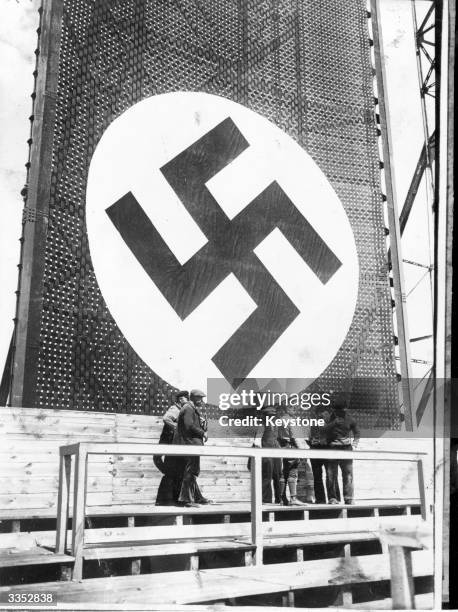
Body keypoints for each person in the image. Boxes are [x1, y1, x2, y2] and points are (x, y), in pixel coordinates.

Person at [174, 389, 212, 507]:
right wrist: (202, 433)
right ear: (194, 398)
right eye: (200, 398)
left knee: (192, 471)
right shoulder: (188, 408)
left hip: (191, 444)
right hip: (190, 445)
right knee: (191, 471)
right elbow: (189, 426)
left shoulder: (190, 408)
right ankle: (186, 500)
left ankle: (197, 497)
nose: (202, 401)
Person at [154, 390, 189, 505]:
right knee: (169, 470)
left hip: (174, 444)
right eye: (186, 399)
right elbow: (166, 418)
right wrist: (177, 428)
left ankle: (174, 499)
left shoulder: (182, 410)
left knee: (177, 472)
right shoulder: (175, 409)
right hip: (168, 442)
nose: (188, 401)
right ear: (180, 400)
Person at [325, 402, 360, 505]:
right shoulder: (329, 418)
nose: (342, 413)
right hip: (332, 448)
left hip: (346, 448)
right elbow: (323, 430)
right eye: (339, 411)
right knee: (331, 474)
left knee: (348, 474)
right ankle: (332, 498)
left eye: (343, 411)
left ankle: (348, 498)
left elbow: (357, 432)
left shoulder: (350, 419)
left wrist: (355, 442)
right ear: (334, 410)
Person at [278, 406, 311, 506]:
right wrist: (302, 451)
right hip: (292, 447)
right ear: (287, 409)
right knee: (293, 473)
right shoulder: (291, 421)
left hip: (283, 447)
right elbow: (295, 437)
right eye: (293, 409)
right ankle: (293, 498)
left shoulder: (280, 420)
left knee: (284, 474)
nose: (295, 411)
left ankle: (282, 499)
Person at [308, 406, 339, 504]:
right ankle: (320, 499)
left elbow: (337, 437)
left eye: (324, 413)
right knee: (317, 476)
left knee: (331, 475)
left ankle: (333, 498)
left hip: (329, 450)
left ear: (329, 414)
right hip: (315, 450)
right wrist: (312, 441)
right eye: (319, 413)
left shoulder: (333, 424)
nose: (321, 415)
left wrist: (327, 440)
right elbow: (309, 436)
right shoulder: (313, 424)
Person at [253, 405, 282, 504]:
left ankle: (279, 499)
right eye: (269, 415)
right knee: (267, 477)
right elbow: (257, 441)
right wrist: (261, 453)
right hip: (266, 453)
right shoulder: (262, 425)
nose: (272, 417)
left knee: (278, 475)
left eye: (273, 415)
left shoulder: (276, 425)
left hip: (276, 453)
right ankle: (266, 500)